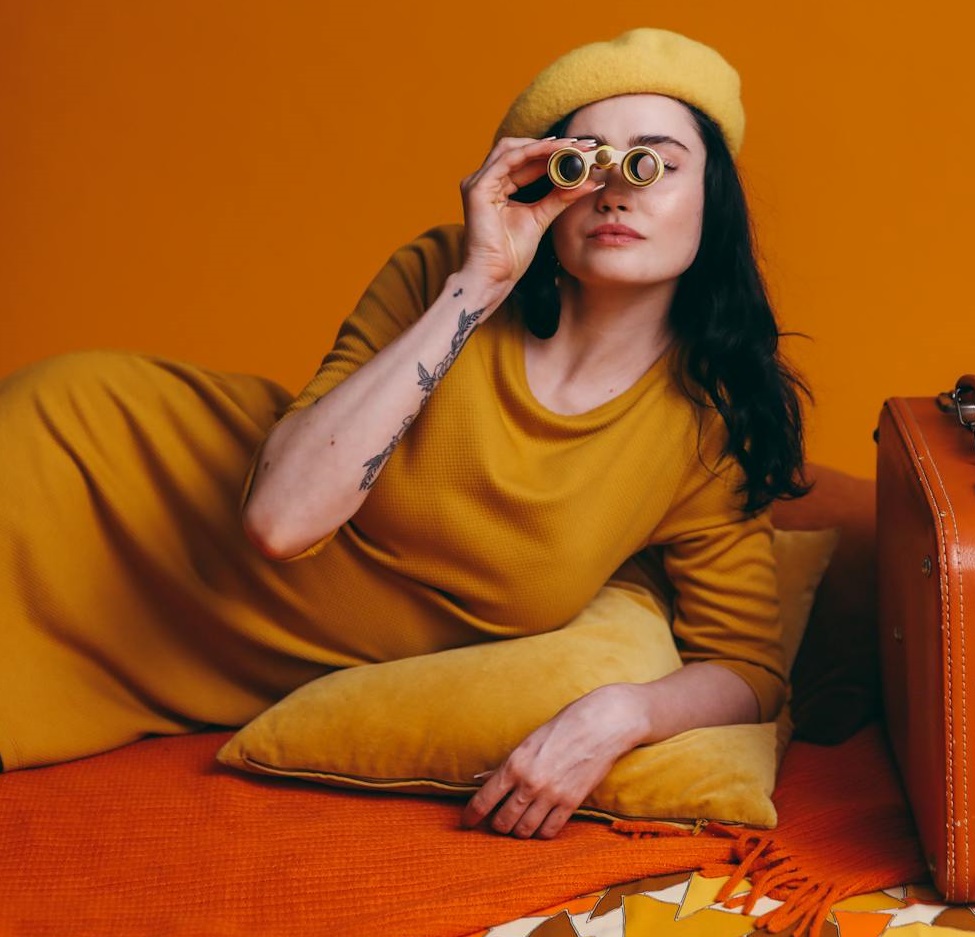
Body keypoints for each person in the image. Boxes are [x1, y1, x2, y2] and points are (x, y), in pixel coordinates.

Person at [0, 27, 810, 840]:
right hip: (98, 473)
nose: (615, 191)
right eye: (583, 162)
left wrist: (620, 712)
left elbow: (745, 669)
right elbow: (279, 521)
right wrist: (478, 282)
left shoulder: (709, 424)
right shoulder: (440, 275)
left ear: (714, 199)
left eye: (655, 163)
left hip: (201, 646)